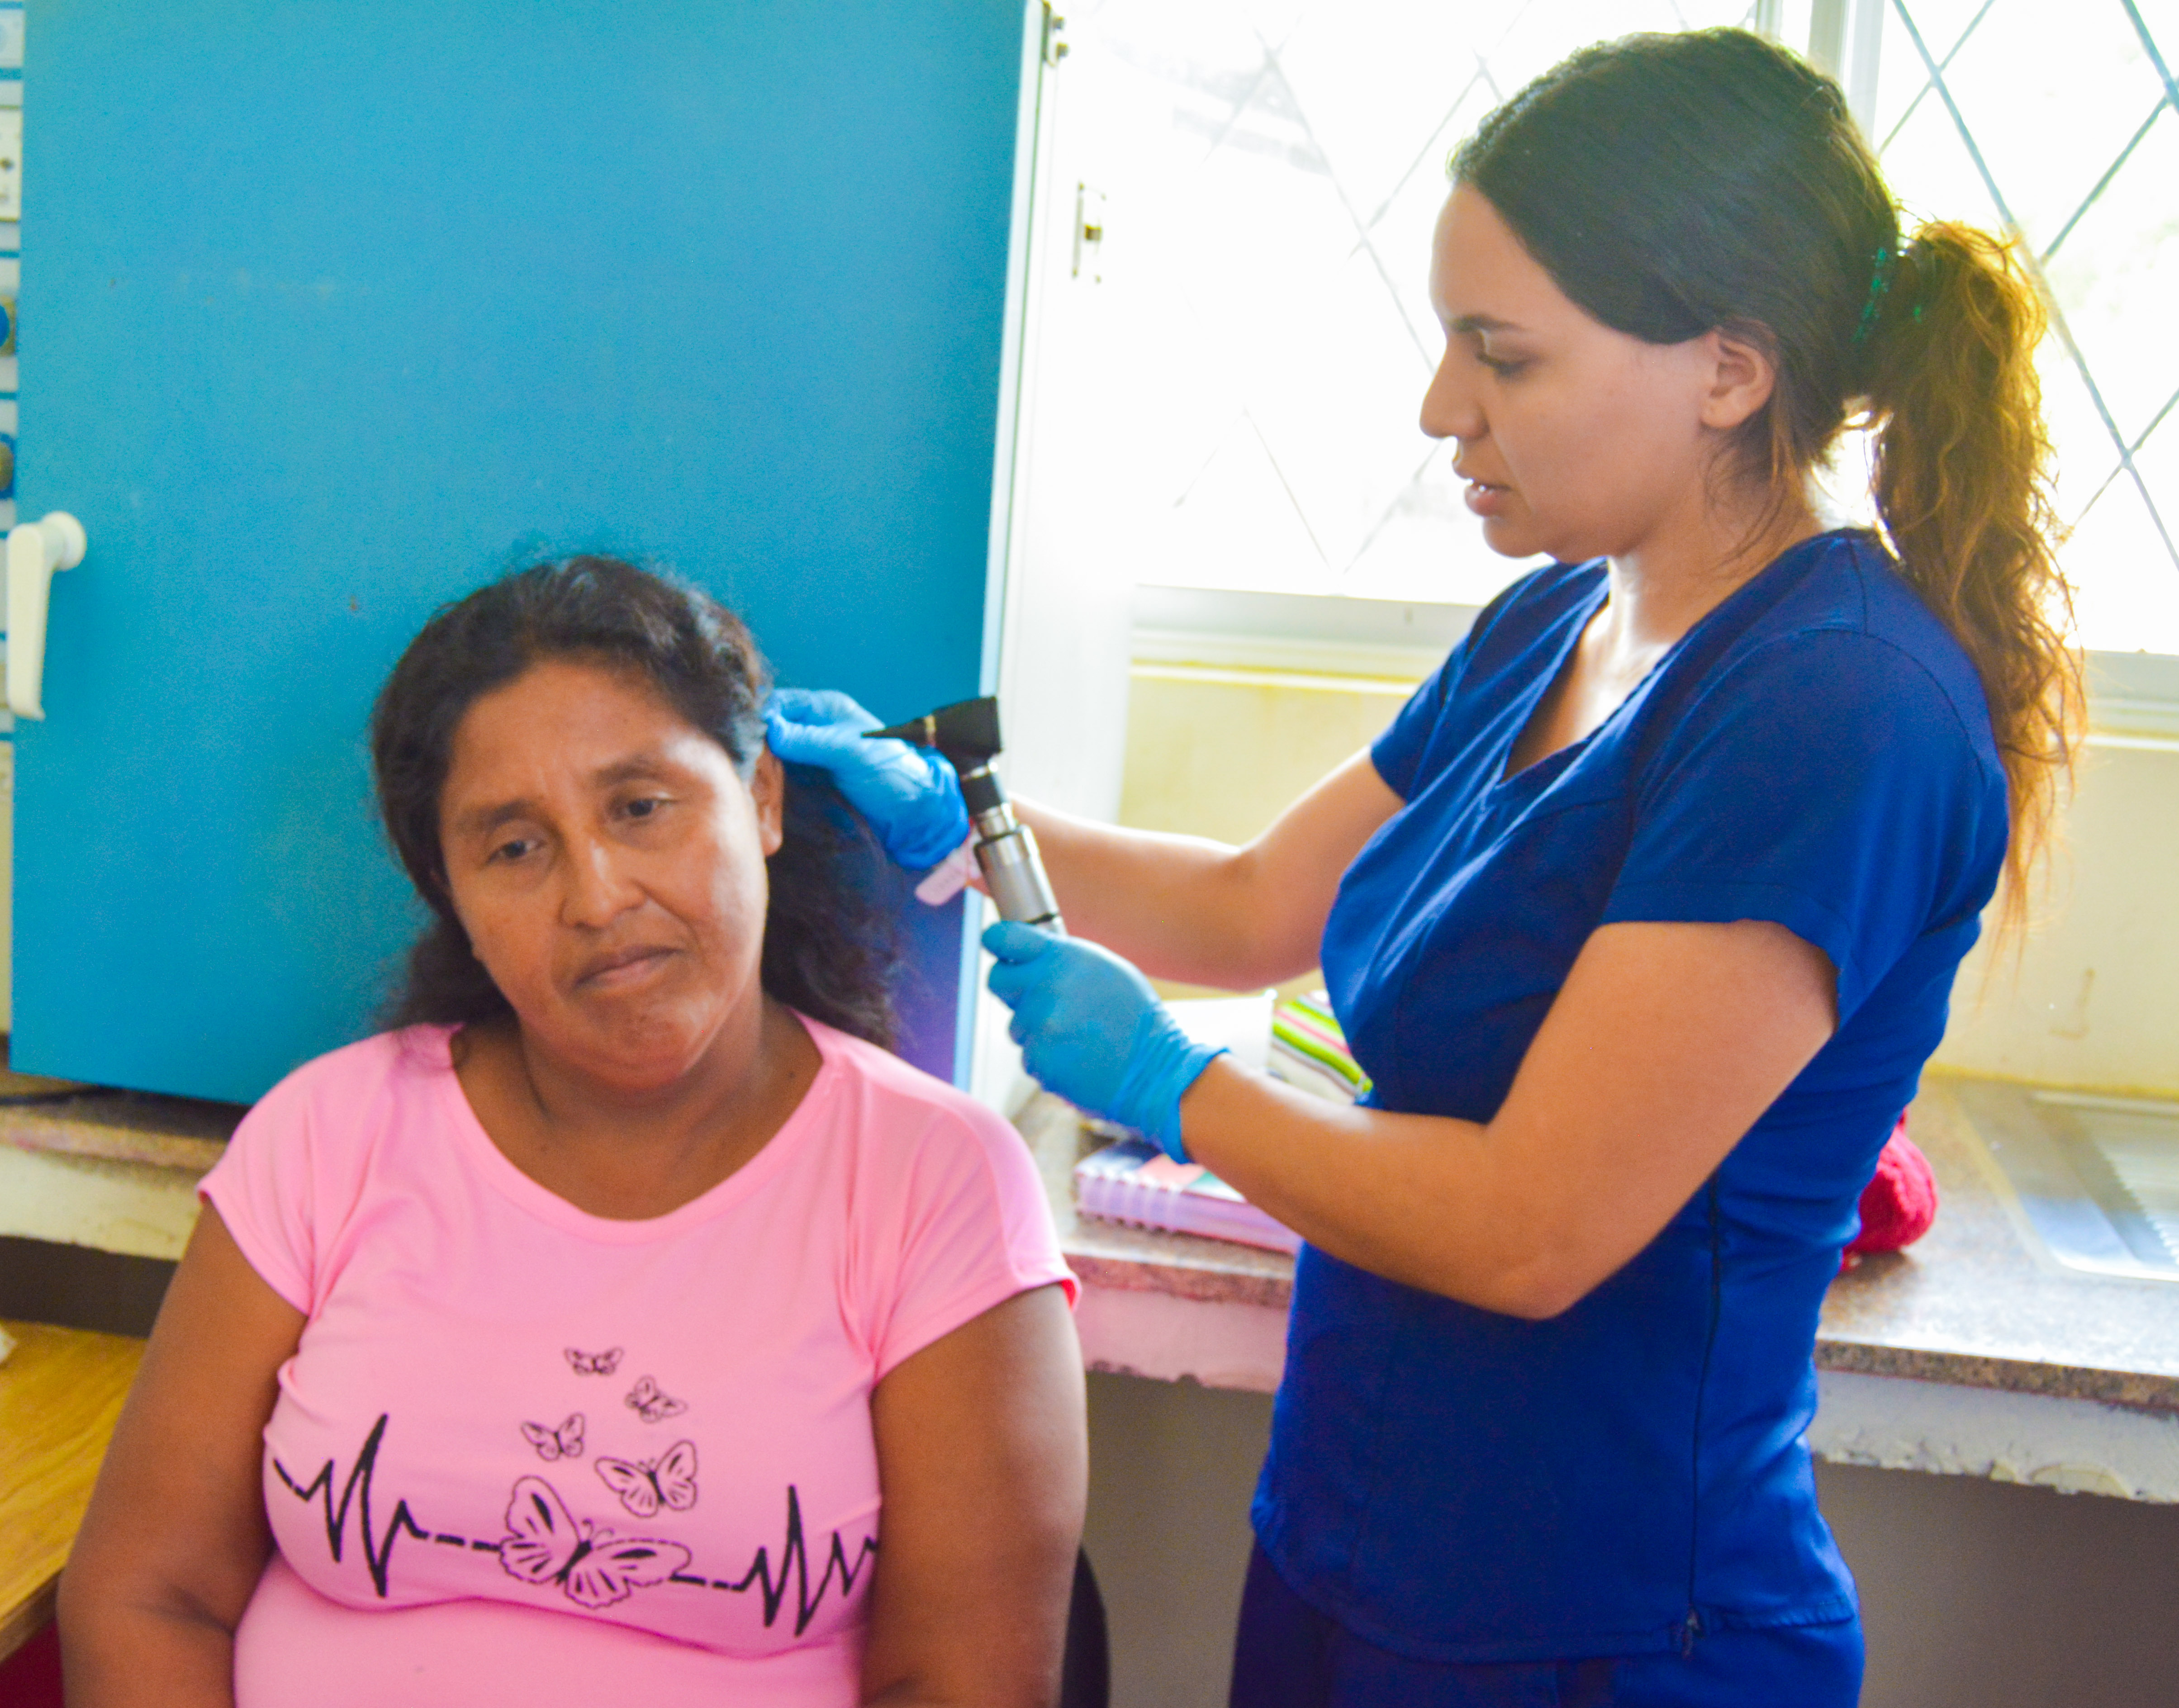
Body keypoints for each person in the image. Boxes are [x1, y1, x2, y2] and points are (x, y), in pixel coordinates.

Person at [768, 28, 2075, 1708]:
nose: (1439, 408)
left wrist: (1171, 1084)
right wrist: (961, 826)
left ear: (1729, 369)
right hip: (1349, 1548)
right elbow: (1250, 902)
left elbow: (1533, 1229)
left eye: (1502, 356)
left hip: (1597, 1630)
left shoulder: (1834, 706)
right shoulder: (1556, 619)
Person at [61, 558, 1086, 1707]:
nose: (596, 897)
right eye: (514, 846)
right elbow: (147, 1596)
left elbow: (962, 1682)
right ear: (454, 896)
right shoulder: (325, 1136)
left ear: (761, 799)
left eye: (641, 807)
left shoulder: (935, 1183)